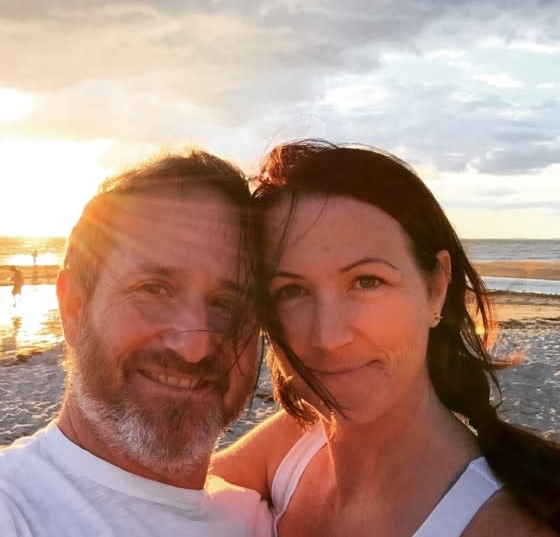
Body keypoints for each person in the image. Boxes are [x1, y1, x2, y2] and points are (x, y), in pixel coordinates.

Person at [213, 140, 560, 536]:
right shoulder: (294, 443)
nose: (328, 337)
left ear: (436, 288)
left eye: (367, 281)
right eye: (291, 291)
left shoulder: (500, 526)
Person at [0, 152, 272, 536]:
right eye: (154, 289)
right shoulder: (15, 508)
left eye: (228, 304)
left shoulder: (260, 517)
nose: (192, 347)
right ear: (74, 307)